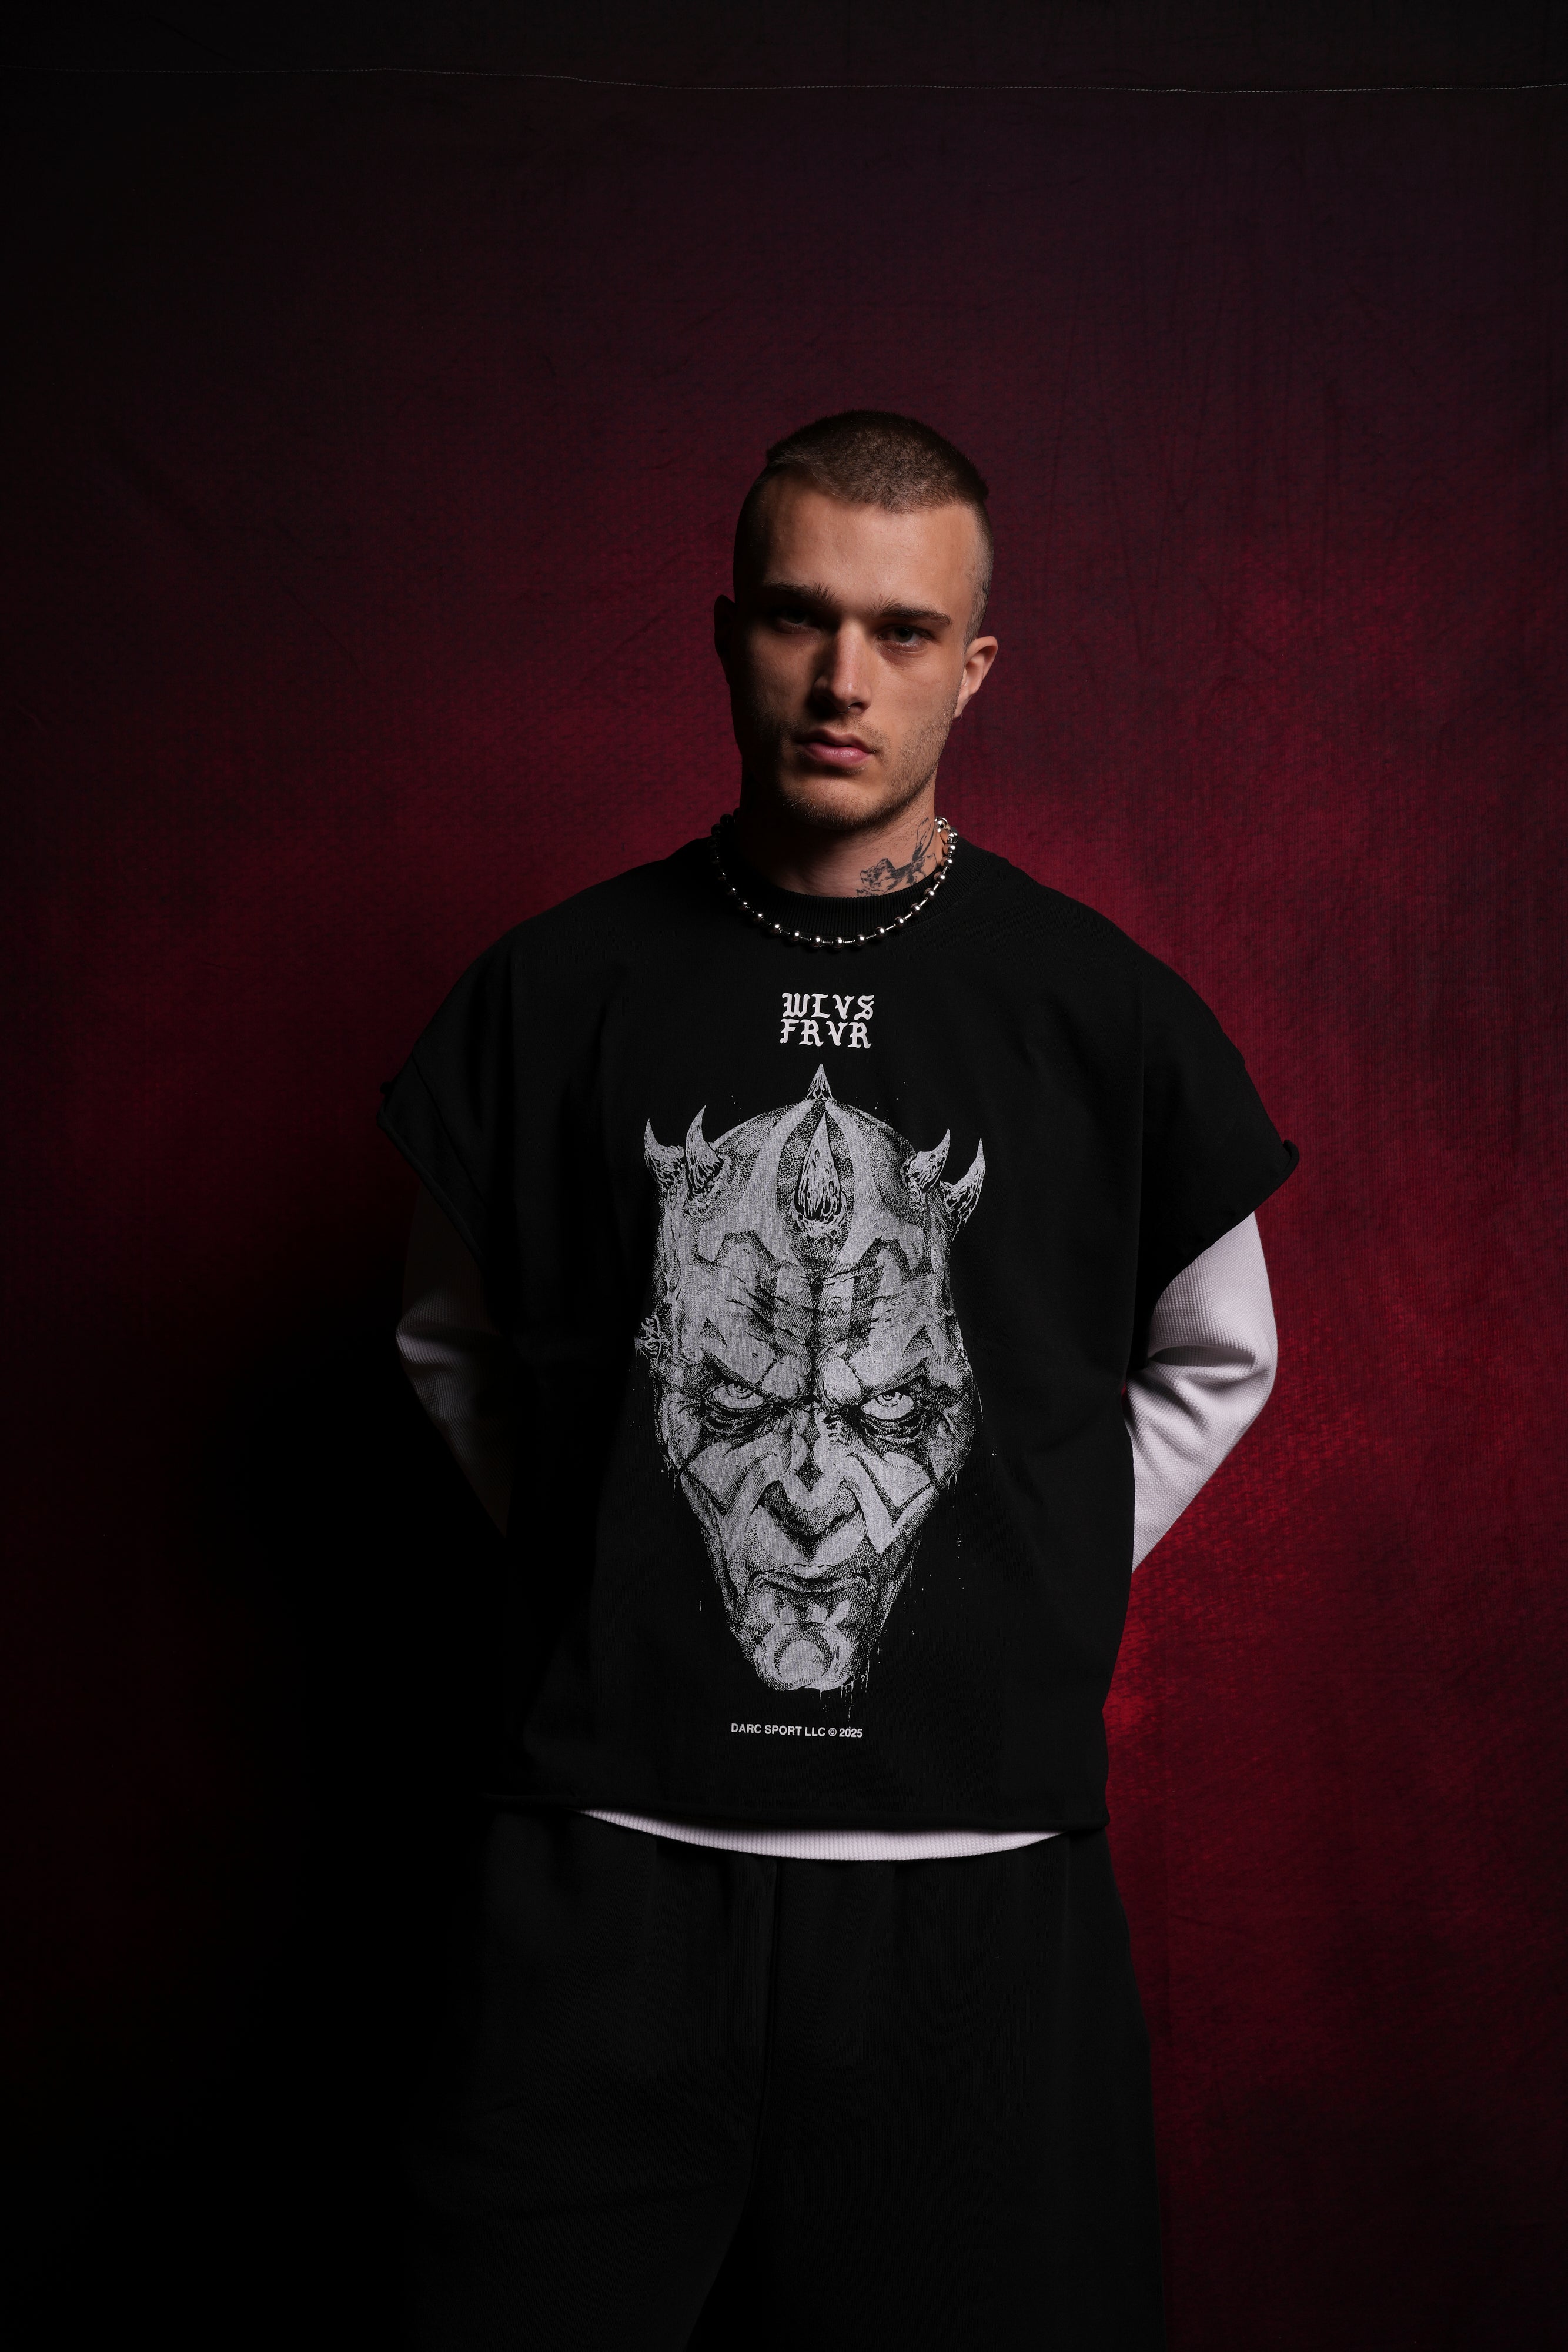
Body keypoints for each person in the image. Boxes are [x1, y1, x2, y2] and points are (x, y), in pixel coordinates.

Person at [380, 410, 1296, 2350]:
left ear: (974, 665)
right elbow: (450, 1340)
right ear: (728, 634)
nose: (841, 679)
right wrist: (608, 1542)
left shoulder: (1100, 1010)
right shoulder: (553, 992)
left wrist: (1028, 1558)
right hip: (604, 1867)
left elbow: (1223, 1354)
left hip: (980, 1894)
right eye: (799, 617)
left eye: (901, 630)